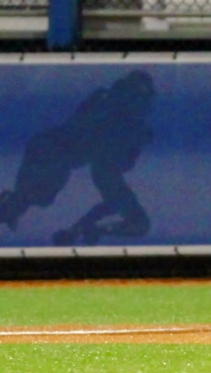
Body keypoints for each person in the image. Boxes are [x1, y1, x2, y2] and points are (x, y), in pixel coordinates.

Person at [0, 70, 156, 246]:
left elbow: (113, 194)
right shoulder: (114, 119)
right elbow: (110, 184)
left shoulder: (115, 116)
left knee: (36, 198)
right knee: (37, 197)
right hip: (53, 151)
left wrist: (82, 228)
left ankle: (13, 207)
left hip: (51, 150)